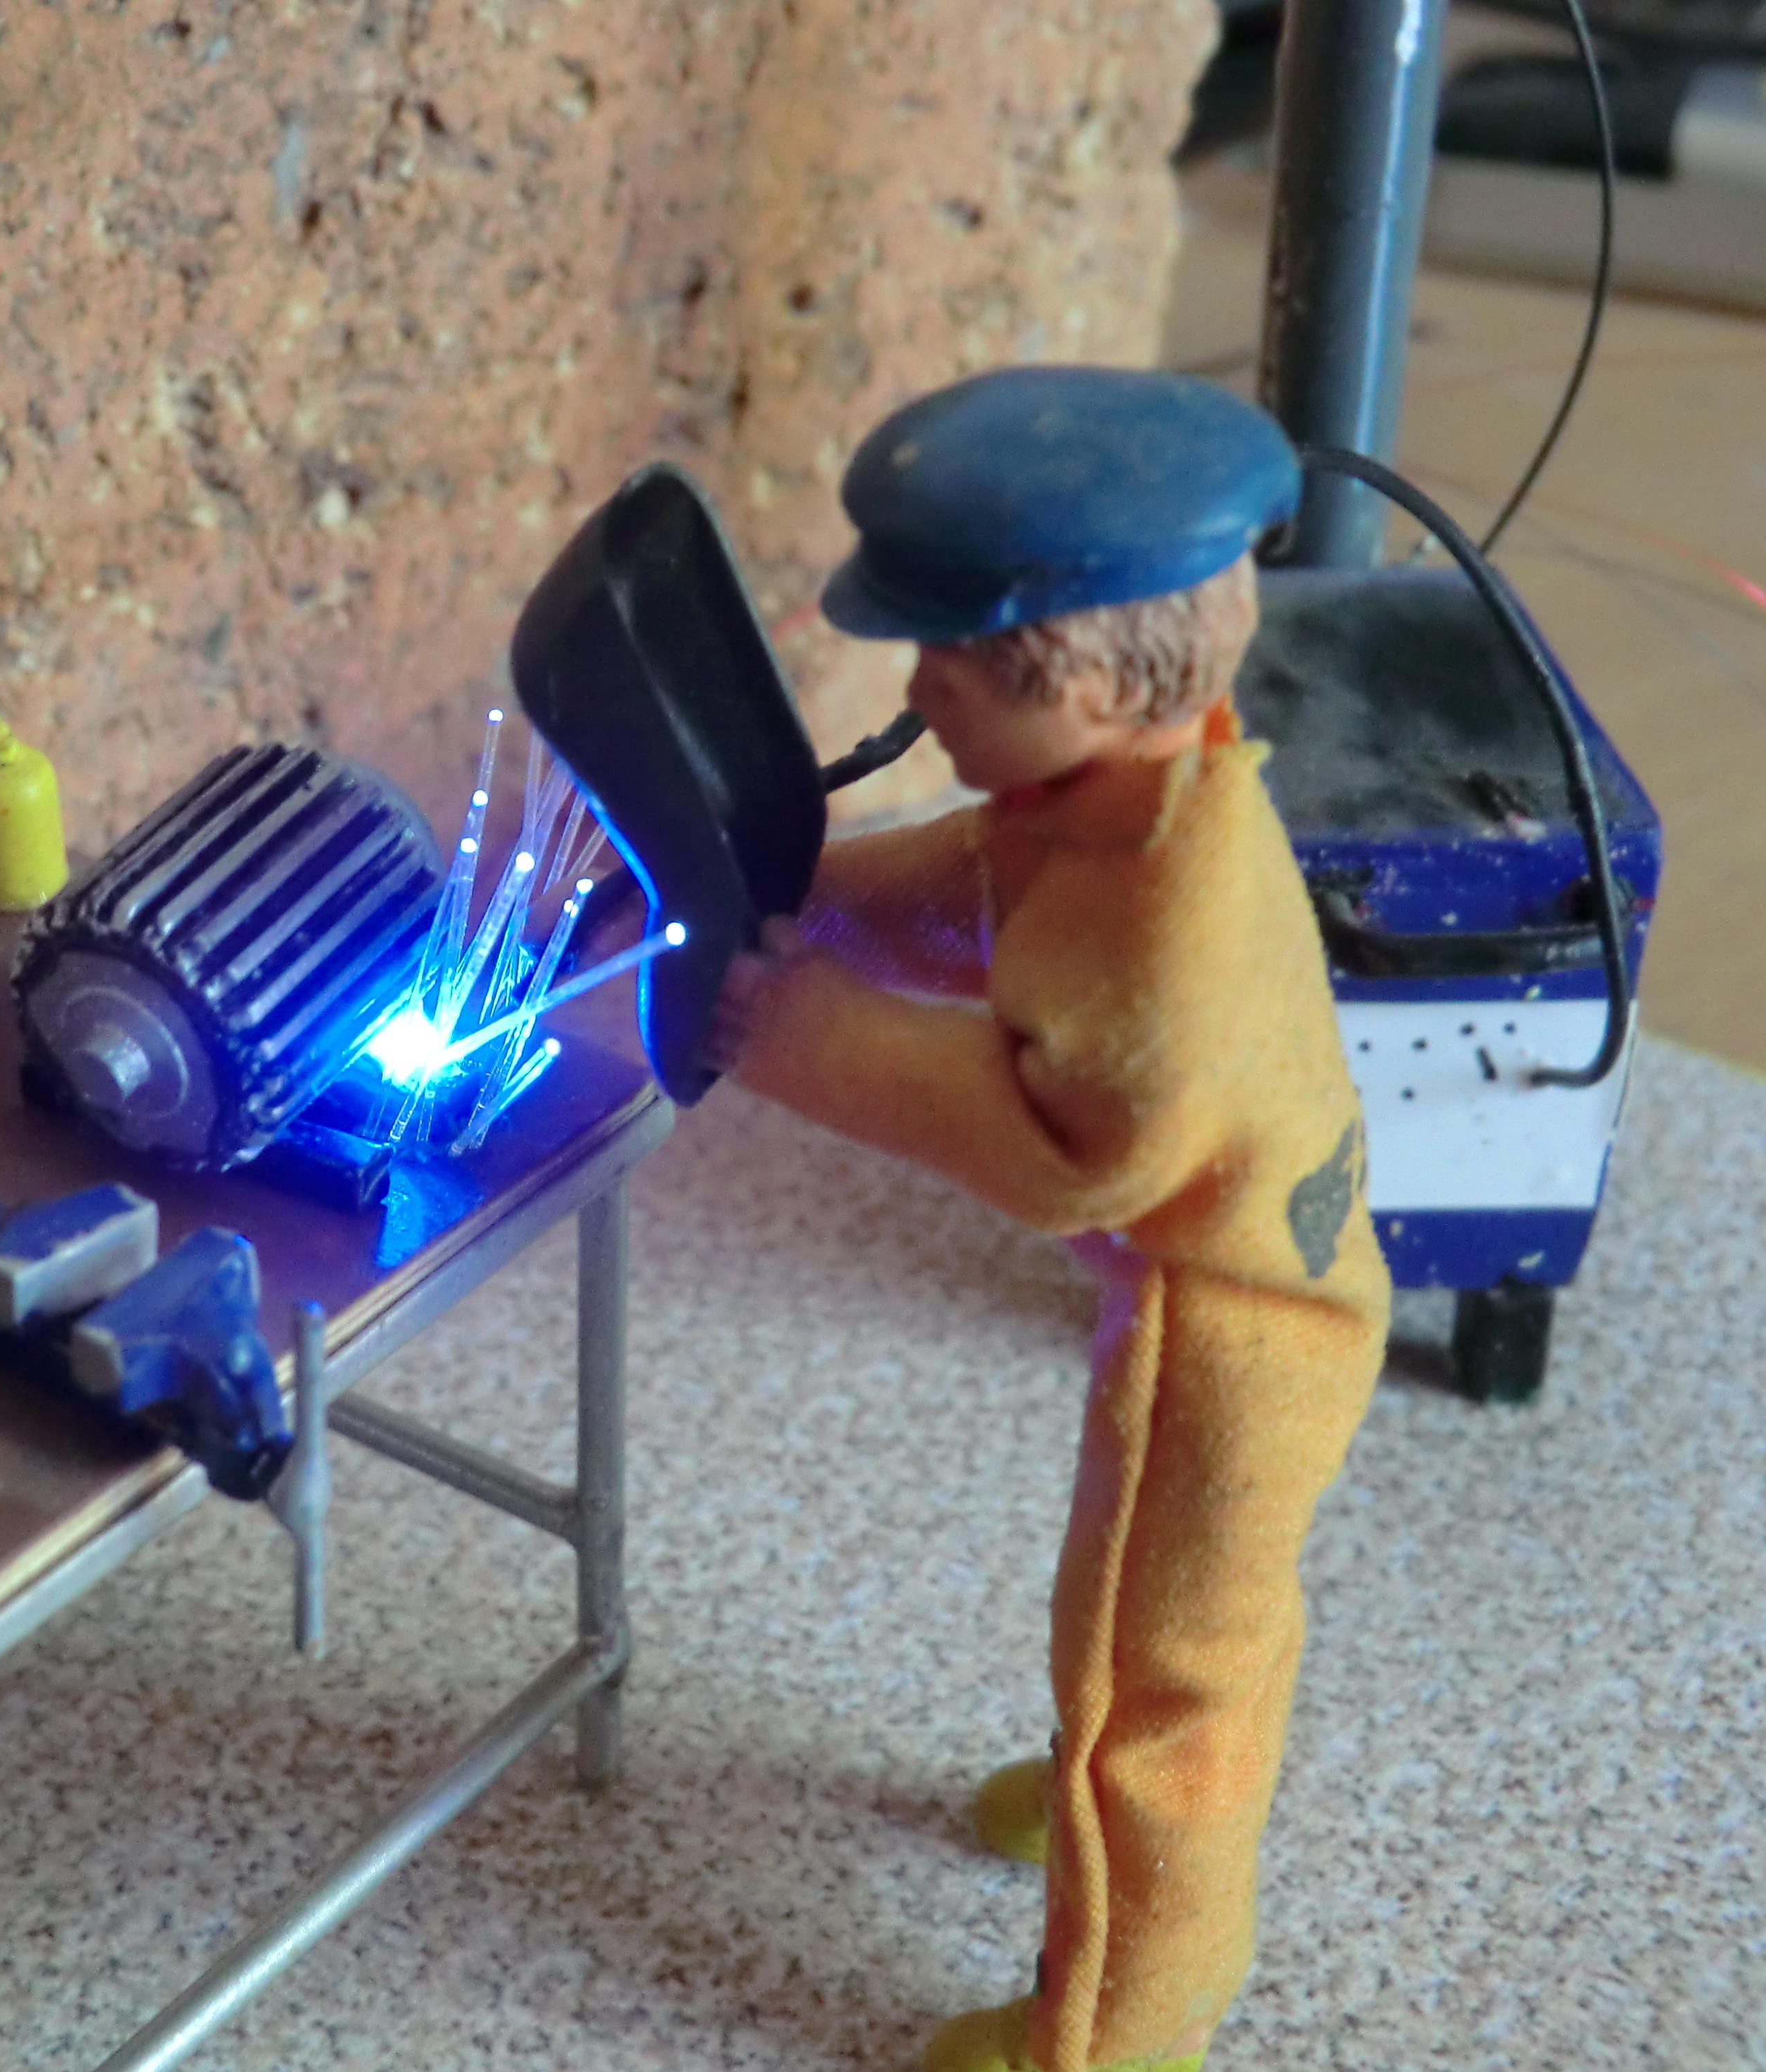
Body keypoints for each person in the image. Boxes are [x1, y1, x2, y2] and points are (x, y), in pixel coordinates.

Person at [711, 366, 1389, 2072]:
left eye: (943, 671)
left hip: (1232, 1336)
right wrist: (812, 901)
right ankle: (1096, 1784)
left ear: (1076, 678)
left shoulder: (1167, 940)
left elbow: (1063, 1156)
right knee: (1145, 1631)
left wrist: (803, 1036)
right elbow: (975, 885)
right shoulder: (1120, 796)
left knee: (1167, 1693)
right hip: (1237, 1272)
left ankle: (1116, 2027)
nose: (913, 693)